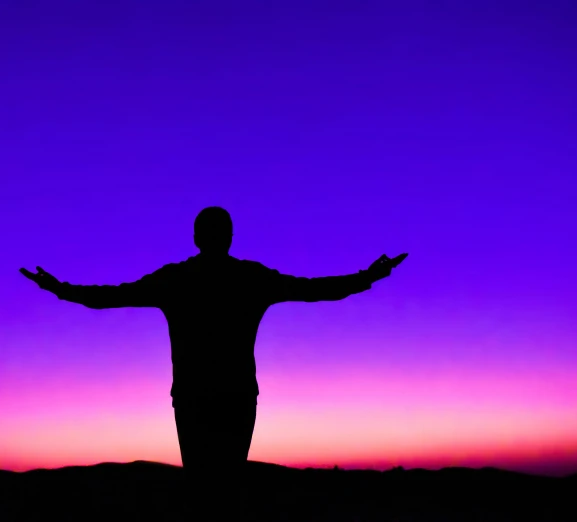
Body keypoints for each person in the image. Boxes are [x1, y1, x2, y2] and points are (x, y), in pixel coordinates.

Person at [20, 206, 407, 521]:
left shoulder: (178, 279)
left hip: (195, 399)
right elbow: (317, 289)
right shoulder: (249, 278)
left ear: (196, 237)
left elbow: (108, 297)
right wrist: (369, 276)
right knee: (225, 490)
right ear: (229, 237)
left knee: (204, 491)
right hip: (234, 398)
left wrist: (60, 290)